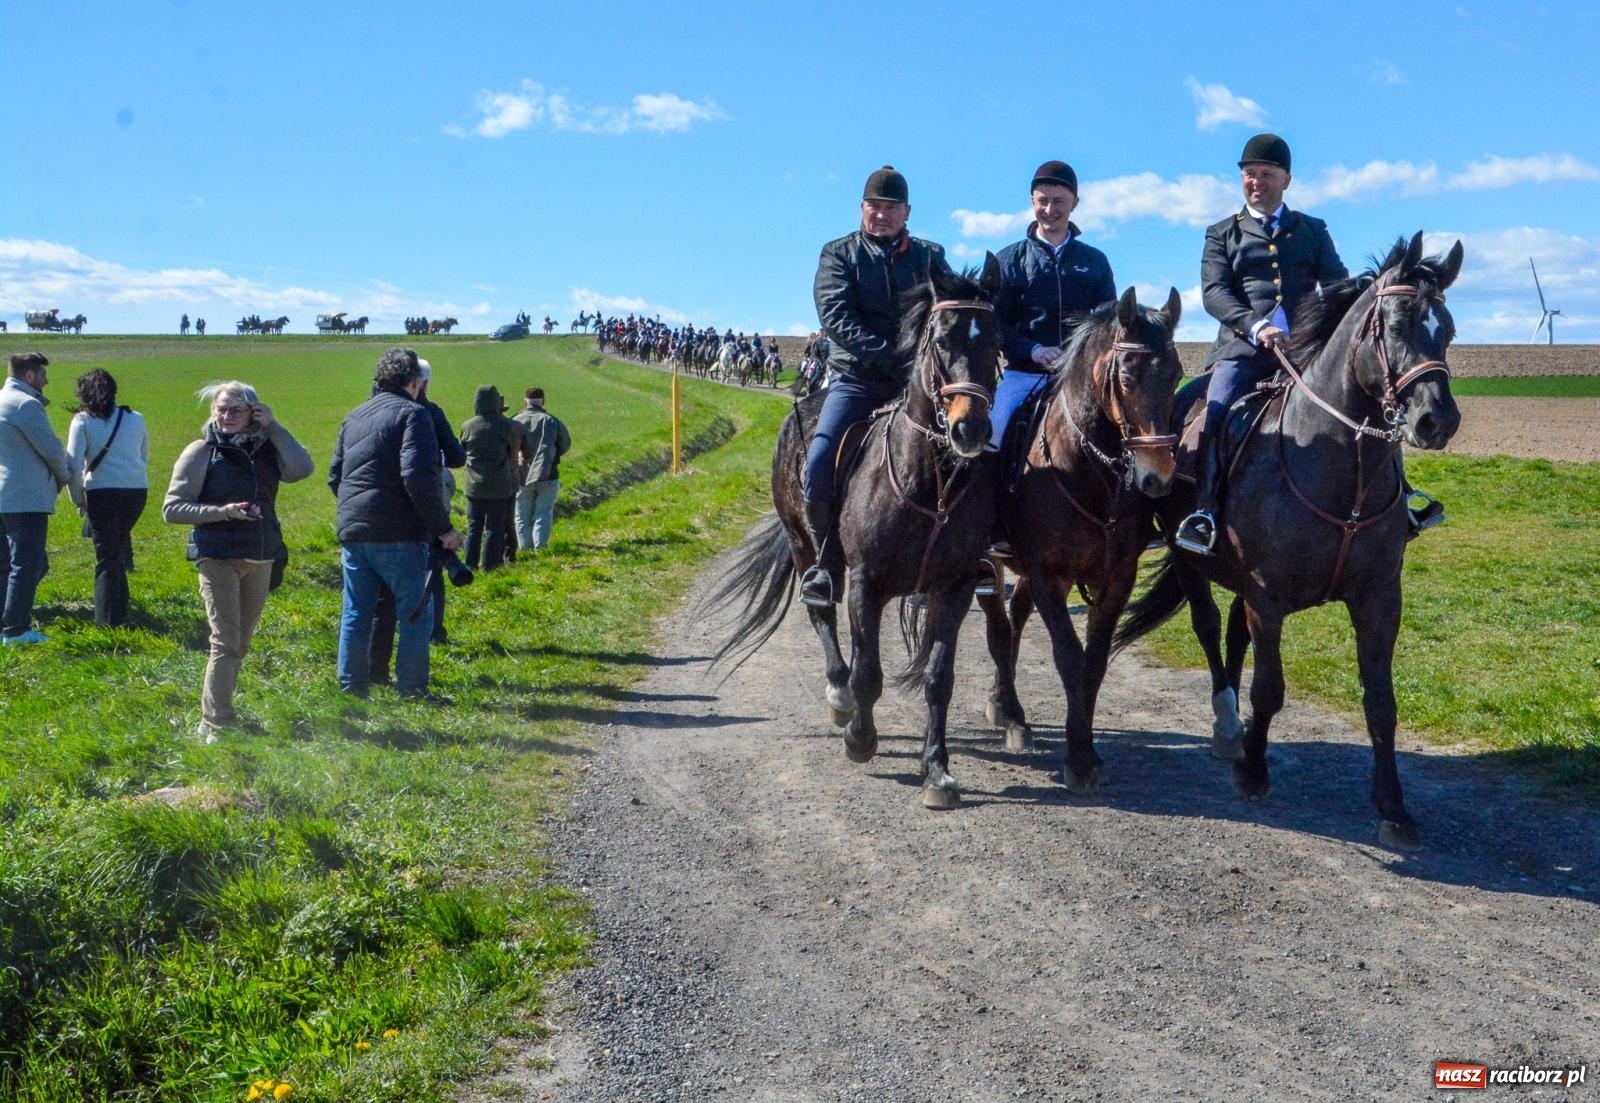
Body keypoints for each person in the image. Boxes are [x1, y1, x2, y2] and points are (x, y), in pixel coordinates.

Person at [1174, 133, 1351, 554]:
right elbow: (1214, 293)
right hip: (1242, 352)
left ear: (1286, 180)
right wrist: (1255, 327)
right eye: (1249, 174)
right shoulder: (1221, 234)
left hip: (1307, 353)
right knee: (1213, 415)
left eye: (1266, 174)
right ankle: (1205, 513)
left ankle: (1404, 497)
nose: (1257, 182)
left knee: (1362, 399)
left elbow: (1338, 284)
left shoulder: (1312, 229)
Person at [802, 165, 957, 606]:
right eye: (875, 206)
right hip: (858, 380)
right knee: (819, 461)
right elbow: (835, 315)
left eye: (891, 208)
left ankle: (969, 552)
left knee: (970, 456)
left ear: (907, 212)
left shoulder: (929, 257)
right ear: (862, 209)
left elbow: (945, 308)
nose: (882, 215)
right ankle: (826, 564)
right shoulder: (839, 254)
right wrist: (889, 355)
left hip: (918, 386)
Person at [163, 381, 313, 738]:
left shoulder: (266, 449)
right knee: (225, 641)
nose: (226, 417)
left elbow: (301, 469)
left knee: (240, 643)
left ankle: (216, 716)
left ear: (254, 413)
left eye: (236, 410)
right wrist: (223, 512)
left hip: (261, 555)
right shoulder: (201, 452)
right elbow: (172, 510)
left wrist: (274, 427)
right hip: (217, 554)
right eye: (220, 409)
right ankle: (215, 722)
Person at [989, 159, 1118, 556]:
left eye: (1059, 201)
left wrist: (1079, 357)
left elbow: (1108, 321)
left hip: (1080, 378)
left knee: (1125, 427)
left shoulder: (1094, 261)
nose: (1051, 209)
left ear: (1075, 204)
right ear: (1032, 201)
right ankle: (988, 527)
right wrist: (1032, 349)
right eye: (1043, 201)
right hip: (1024, 373)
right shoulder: (1009, 259)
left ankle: (1132, 518)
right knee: (990, 433)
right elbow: (996, 324)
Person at [328, 348, 463, 700]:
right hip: (400, 532)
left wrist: (356, 512)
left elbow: (334, 477)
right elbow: (417, 477)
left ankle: (351, 688)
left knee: (356, 611)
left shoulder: (354, 415)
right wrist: (443, 529)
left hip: (354, 530)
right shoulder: (414, 414)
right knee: (416, 612)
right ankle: (413, 688)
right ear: (415, 381)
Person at [369, 356, 469, 681]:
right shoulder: (428, 412)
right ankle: (431, 637)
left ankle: (371, 672)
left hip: (374, 507)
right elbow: (456, 457)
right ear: (420, 383)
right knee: (432, 568)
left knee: (378, 594)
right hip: (422, 496)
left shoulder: (366, 410)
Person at [66, 368, 149, 627]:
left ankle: (108, 620)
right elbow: (143, 456)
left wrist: (78, 498)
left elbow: (73, 465)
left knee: (106, 557)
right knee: (115, 547)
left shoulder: (82, 421)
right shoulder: (136, 418)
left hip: (102, 492)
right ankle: (120, 605)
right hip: (136, 492)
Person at [0, 352, 73, 644]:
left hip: (4, 493)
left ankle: (6, 621)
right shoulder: (26, 404)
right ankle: (16, 629)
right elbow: (51, 448)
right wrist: (65, 475)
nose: (46, 380)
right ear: (29, 375)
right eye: (43, 374)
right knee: (27, 564)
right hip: (25, 496)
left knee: (6, 564)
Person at [458, 384, 521, 571]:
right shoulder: (506, 426)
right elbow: (512, 454)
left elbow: (462, 452)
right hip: (499, 485)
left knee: (474, 526)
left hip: (473, 486)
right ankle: (491, 566)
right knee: (494, 527)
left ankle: (470, 564)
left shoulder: (467, 426)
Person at [513, 386, 572, 552]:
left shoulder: (514, 420)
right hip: (548, 475)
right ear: (543, 401)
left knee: (521, 515)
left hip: (520, 476)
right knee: (543, 513)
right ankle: (541, 548)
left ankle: (524, 549)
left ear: (525, 401)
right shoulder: (551, 421)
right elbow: (565, 444)